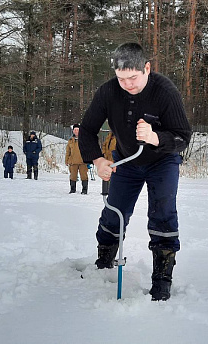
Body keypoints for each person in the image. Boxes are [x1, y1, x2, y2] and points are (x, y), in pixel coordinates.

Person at [79, 42, 192, 301]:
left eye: (133, 77)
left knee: (163, 214)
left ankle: (162, 276)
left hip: (163, 161)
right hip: (126, 160)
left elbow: (183, 137)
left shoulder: (165, 91)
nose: (128, 84)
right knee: (114, 212)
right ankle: (105, 259)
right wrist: (97, 160)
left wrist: (154, 137)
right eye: (122, 79)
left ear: (147, 68)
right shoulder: (108, 92)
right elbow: (86, 130)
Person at [65, 124, 89, 194]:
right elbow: (68, 151)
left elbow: (88, 150)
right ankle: (72, 189)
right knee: (73, 176)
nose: (76, 131)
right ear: (73, 131)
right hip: (73, 162)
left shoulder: (85, 140)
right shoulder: (70, 140)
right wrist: (66, 160)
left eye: (77, 130)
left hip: (83, 162)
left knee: (84, 176)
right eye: (75, 130)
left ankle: (84, 190)